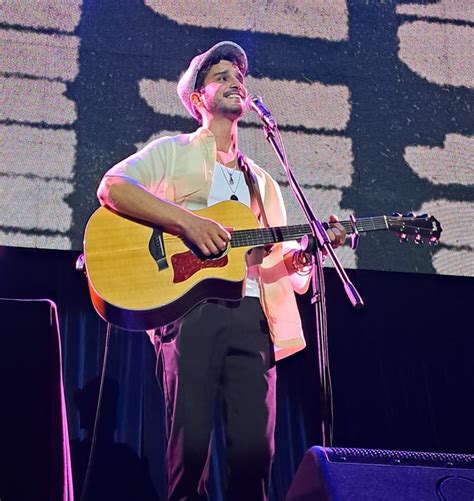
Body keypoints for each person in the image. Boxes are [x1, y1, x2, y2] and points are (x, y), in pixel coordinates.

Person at [97, 41, 345, 501]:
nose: (237, 83)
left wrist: (306, 257)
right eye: (222, 77)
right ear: (197, 99)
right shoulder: (172, 152)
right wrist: (187, 222)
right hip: (190, 312)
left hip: (253, 318)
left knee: (256, 456)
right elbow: (113, 187)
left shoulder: (263, 181)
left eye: (239, 78)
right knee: (189, 456)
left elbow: (288, 269)